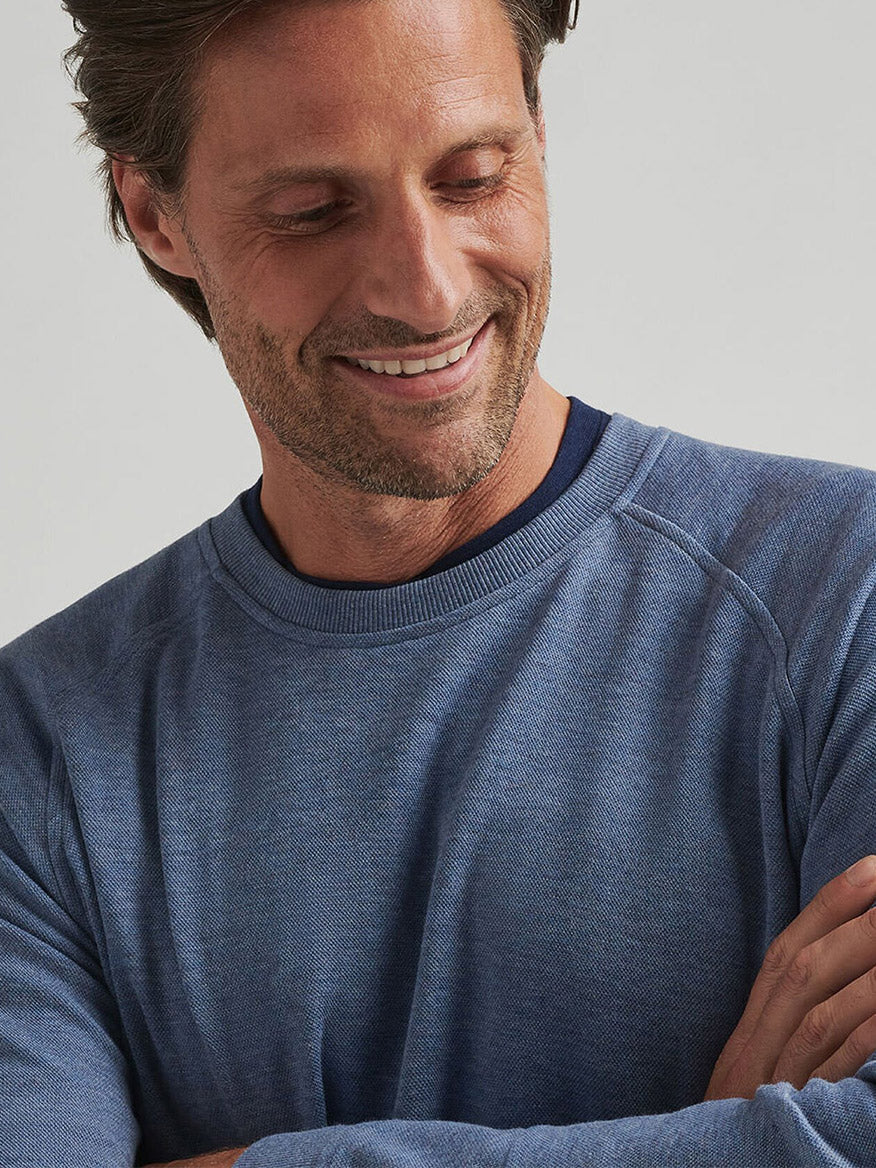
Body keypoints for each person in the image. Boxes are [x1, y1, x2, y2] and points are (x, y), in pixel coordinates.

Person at [3, 0, 876, 1164]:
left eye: (472, 177)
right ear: (154, 214)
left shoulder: (844, 600)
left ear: (540, 128)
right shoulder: (40, 752)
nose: (426, 290)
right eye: (313, 213)